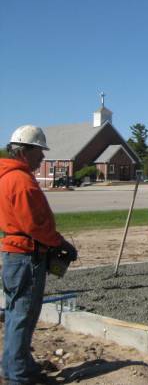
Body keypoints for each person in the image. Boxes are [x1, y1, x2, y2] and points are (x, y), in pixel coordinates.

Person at [0, 125, 77, 384]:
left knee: (15, 312)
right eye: (39, 152)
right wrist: (60, 243)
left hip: (15, 254)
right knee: (23, 314)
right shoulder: (21, 181)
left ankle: (16, 365)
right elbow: (34, 224)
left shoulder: (7, 177)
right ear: (24, 151)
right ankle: (18, 374)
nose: (43, 158)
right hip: (27, 256)